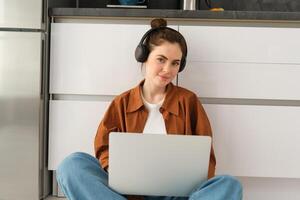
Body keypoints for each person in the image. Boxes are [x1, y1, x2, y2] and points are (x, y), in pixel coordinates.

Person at [56, 18, 243, 200]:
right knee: (71, 165)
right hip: (127, 193)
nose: (168, 70)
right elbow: (104, 150)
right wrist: (120, 173)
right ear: (144, 57)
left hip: (177, 194)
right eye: (161, 59)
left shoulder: (189, 101)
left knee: (229, 184)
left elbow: (205, 158)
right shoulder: (122, 102)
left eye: (175, 63)